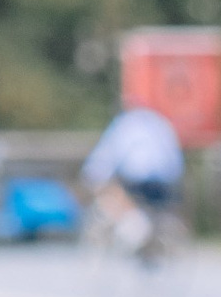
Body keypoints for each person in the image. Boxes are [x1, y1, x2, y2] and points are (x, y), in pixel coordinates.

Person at [80, 97, 187, 258]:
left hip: (136, 179)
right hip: (165, 182)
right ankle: (146, 231)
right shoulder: (161, 123)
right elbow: (175, 159)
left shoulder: (124, 124)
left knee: (111, 190)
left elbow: (106, 157)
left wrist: (92, 176)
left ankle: (135, 227)